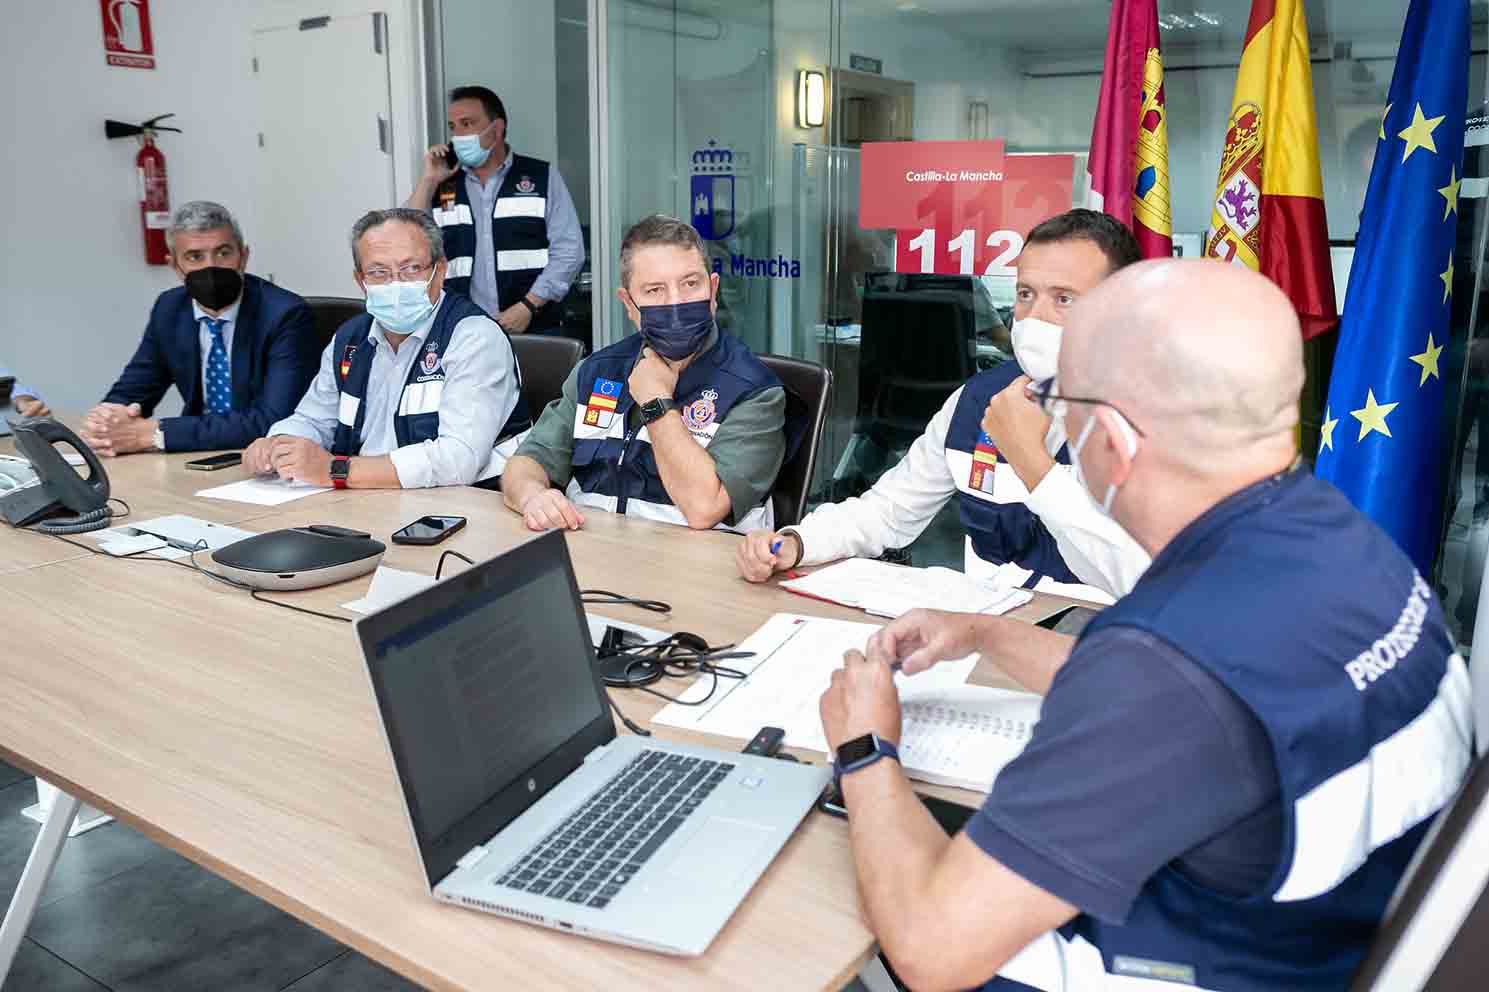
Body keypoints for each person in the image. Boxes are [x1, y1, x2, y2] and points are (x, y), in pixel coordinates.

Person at [818, 260, 1474, 992]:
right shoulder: (1337, 539)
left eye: (1054, 400)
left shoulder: (1165, 659)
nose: (1047, 416)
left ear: (1113, 440)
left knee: (823, 902)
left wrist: (864, 745)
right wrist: (986, 634)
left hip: (1172, 964)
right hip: (1310, 938)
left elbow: (932, 953)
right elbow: (1226, 709)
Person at [737, 209, 1149, 603]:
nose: (1034, 318)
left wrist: (1032, 464)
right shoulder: (976, 401)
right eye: (1026, 294)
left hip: (1098, 640)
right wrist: (798, 542)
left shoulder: (1155, 421)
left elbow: (1147, 576)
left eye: (1064, 299)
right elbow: (890, 511)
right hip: (983, 630)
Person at [502, 214, 798, 531]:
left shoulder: (753, 391)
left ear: (712, 291)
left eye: (690, 284)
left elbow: (704, 507)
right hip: (594, 557)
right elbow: (526, 462)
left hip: (698, 571)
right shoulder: (599, 371)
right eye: (655, 290)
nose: (675, 303)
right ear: (628, 304)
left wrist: (656, 401)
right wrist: (534, 496)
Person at [243, 208, 528, 489]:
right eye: (379, 272)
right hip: (363, 496)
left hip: (462, 505)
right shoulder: (349, 339)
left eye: (411, 269)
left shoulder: (473, 336)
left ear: (440, 271)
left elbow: (457, 461)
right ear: (361, 281)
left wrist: (336, 470)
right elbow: (313, 420)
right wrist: (277, 444)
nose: (396, 284)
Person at [82, 201, 319, 456]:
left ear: (244, 256)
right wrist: (106, 421)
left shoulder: (284, 314)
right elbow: (134, 388)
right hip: (193, 454)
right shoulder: (170, 308)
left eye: (223, 252)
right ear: (174, 265)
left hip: (261, 456)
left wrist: (155, 434)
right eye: (195, 257)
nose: (211, 266)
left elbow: (273, 419)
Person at [405, 85, 584, 336]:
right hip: (462, 328)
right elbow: (407, 241)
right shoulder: (442, 184)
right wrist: (428, 179)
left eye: (467, 124)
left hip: (536, 325)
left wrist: (528, 306)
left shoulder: (540, 176)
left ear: (497, 129)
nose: (458, 135)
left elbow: (569, 251)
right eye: (453, 127)